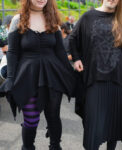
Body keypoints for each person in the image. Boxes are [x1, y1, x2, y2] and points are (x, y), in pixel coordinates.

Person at [0, 0, 76, 150]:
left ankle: (55, 146)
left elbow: (60, 51)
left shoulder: (52, 19)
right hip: (27, 76)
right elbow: (13, 52)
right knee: (31, 119)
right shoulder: (18, 19)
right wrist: (10, 78)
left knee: (53, 116)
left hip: (52, 75)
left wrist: (72, 73)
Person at [69, 0, 122, 150]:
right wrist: (76, 58)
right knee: (92, 130)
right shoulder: (88, 16)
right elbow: (72, 39)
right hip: (94, 81)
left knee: (114, 127)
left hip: (118, 81)